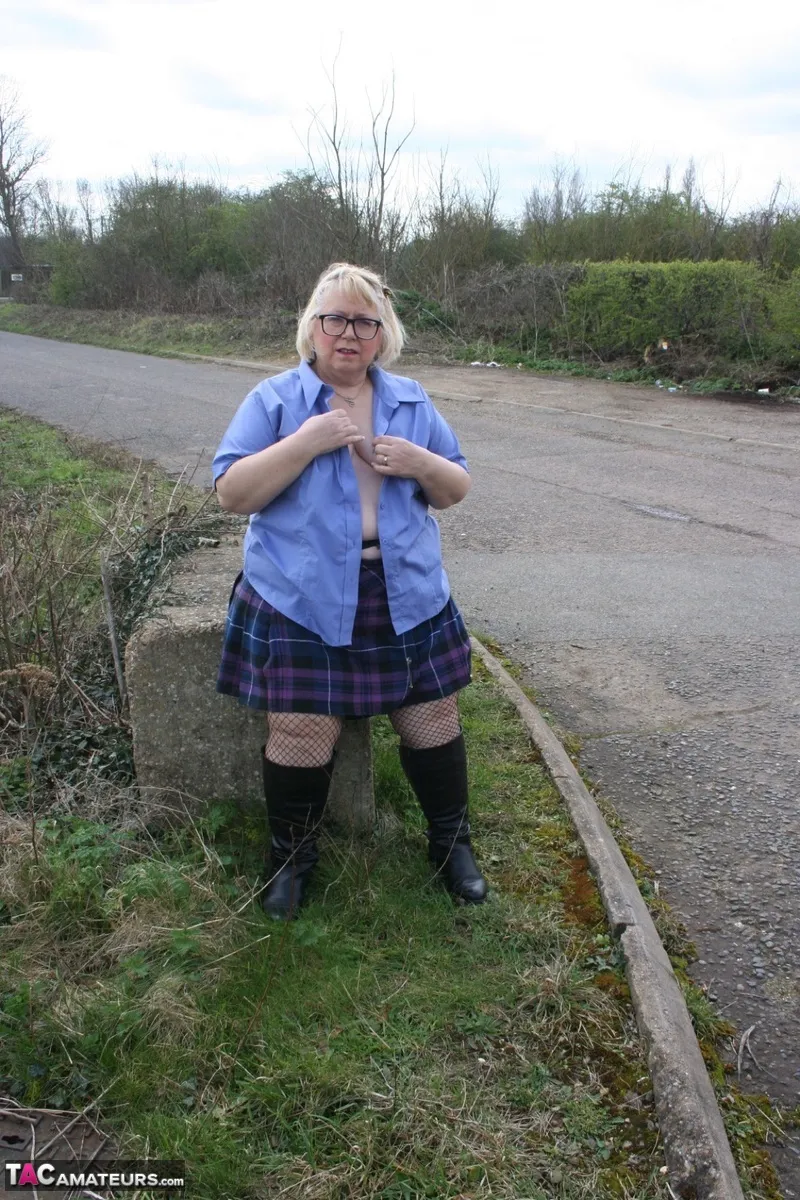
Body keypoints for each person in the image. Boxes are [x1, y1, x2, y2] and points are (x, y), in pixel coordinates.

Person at [212, 262, 487, 919]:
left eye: (366, 322)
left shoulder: (411, 401)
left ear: (382, 334)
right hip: (299, 595)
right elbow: (232, 493)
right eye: (334, 318)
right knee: (300, 729)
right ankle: (291, 861)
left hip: (405, 590)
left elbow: (455, 488)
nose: (348, 333)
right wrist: (305, 443)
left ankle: (451, 844)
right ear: (312, 327)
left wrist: (421, 462)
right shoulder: (275, 401)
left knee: (433, 719)